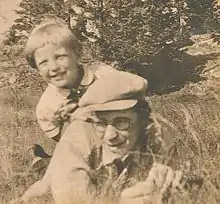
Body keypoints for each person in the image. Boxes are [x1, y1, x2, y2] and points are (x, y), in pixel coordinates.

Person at [15, 73, 186, 204]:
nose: (110, 135)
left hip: (105, 170)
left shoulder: (160, 134)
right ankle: (37, 156)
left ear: (143, 119)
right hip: (67, 168)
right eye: (101, 123)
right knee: (43, 182)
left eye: (121, 122)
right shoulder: (76, 140)